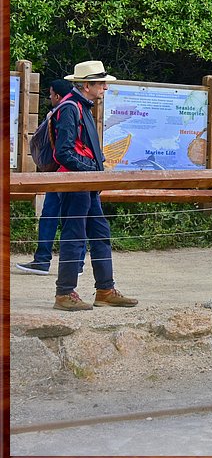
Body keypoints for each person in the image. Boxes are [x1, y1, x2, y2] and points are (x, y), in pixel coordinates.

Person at [52, 60, 138, 311]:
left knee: (100, 234)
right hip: (77, 183)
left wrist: (93, 173)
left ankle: (105, 289)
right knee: (74, 237)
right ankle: (64, 294)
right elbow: (64, 152)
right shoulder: (71, 108)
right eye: (101, 83)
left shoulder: (80, 106)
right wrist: (93, 171)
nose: (105, 87)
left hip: (86, 183)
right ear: (86, 84)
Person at [17, 79, 87, 276]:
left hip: (63, 172)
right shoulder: (79, 109)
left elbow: (62, 147)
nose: (50, 98)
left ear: (57, 95)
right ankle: (75, 263)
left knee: (54, 216)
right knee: (72, 218)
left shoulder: (63, 111)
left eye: (50, 94)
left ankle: (44, 260)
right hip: (72, 173)